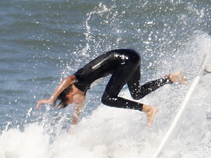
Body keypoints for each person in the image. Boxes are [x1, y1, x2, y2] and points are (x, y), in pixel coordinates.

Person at [36, 49, 186, 127]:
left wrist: (51, 99)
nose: (76, 104)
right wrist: (74, 124)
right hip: (131, 57)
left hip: (125, 60)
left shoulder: (78, 79)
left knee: (107, 99)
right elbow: (79, 108)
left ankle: (148, 109)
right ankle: (171, 78)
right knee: (137, 93)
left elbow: (67, 79)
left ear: (68, 94)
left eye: (70, 102)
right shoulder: (84, 88)